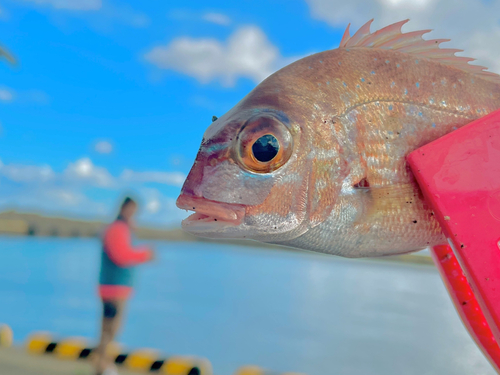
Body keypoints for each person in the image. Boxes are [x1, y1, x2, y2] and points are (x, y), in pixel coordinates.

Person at [94, 197, 154, 375]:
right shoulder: (118, 228)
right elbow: (120, 255)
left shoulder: (119, 228)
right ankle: (102, 366)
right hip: (115, 288)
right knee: (111, 330)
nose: (134, 214)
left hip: (113, 287)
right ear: (125, 209)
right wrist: (144, 254)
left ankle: (102, 364)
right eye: (132, 210)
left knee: (108, 330)